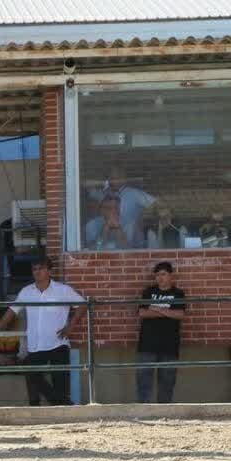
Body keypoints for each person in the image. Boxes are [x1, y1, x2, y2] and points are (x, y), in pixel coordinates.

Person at [0, 255, 85, 406]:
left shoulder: (62, 290)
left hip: (58, 343)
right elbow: (12, 310)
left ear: (49, 271)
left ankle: (62, 410)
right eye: (34, 269)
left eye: (41, 269)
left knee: (61, 384)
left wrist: (70, 326)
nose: (37, 272)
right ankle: (62, 403)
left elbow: (82, 305)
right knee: (31, 373)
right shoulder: (26, 291)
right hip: (36, 345)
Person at [135, 261, 187, 403]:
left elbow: (180, 315)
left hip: (169, 345)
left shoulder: (178, 293)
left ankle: (164, 412)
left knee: (167, 382)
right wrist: (168, 312)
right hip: (147, 344)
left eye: (163, 274)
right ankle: (144, 410)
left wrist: (157, 309)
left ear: (171, 275)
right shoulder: (148, 292)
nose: (160, 278)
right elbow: (142, 313)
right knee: (144, 380)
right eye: (157, 275)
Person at [87, 165, 156, 247]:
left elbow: (156, 205)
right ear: (101, 210)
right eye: (111, 177)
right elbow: (86, 184)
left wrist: (142, 218)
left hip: (134, 240)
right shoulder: (103, 194)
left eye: (116, 208)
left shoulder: (134, 194)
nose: (113, 211)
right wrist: (105, 228)